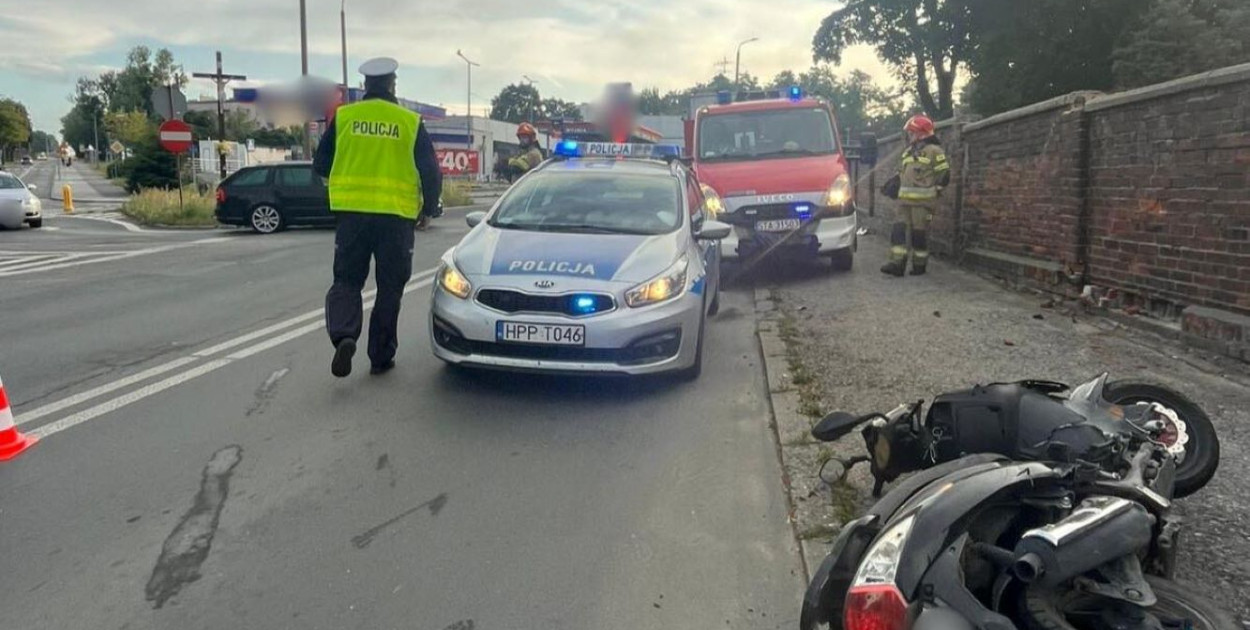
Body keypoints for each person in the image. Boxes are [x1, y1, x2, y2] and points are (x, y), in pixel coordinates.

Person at [313, 57, 442, 377]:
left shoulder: (344, 117)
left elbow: (320, 164)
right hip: (396, 218)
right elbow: (430, 169)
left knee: (346, 280)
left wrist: (348, 175)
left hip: (352, 216)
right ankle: (381, 356)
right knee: (389, 288)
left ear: (366, 86)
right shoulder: (409, 121)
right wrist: (430, 207)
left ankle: (344, 336)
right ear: (392, 85)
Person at [881, 115, 950, 277]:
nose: (909, 136)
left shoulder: (935, 151)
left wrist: (936, 191)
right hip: (904, 201)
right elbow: (904, 173)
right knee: (898, 231)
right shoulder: (908, 152)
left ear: (921, 134)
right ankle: (897, 264)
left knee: (918, 235)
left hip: (922, 203)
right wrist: (894, 183)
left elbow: (944, 174)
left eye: (911, 133)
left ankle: (919, 266)